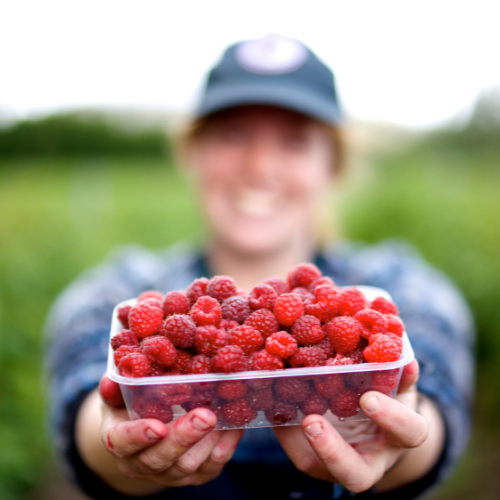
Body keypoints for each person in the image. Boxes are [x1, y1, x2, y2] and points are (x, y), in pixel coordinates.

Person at [45, 34, 474, 499]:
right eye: (233, 134)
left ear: (331, 165)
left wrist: (402, 440)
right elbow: (88, 398)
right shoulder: (117, 290)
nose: (260, 165)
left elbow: (433, 401)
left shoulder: (403, 288)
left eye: (294, 142)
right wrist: (115, 441)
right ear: (194, 152)